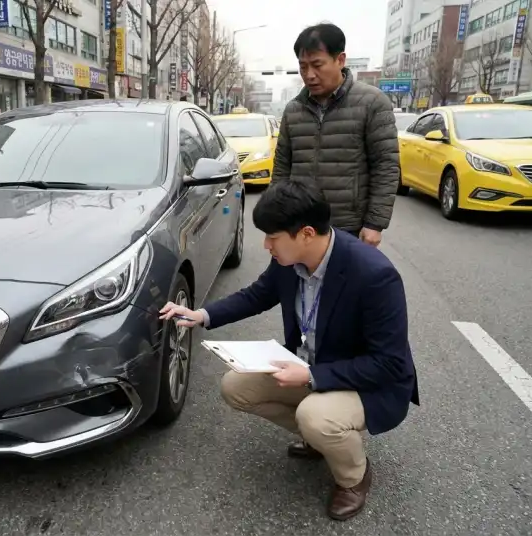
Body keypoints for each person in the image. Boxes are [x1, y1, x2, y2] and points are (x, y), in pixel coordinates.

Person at [159, 180, 419, 521]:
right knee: (235, 387)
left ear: (307, 233)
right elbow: (257, 295)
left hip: (368, 382)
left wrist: (312, 375)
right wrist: (202, 315)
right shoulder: (287, 261)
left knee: (315, 417)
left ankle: (354, 476)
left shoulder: (374, 276)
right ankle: (323, 438)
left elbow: (389, 363)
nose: (265, 245)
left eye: (272, 237)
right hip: (311, 365)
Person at [272, 23, 399, 247]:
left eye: (317, 65)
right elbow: (282, 167)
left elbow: (385, 166)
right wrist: (277, 217)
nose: (309, 75)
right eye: (303, 67)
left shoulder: (372, 103)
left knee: (343, 282)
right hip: (301, 226)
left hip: (348, 226)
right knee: (296, 281)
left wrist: (375, 223)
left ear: (340, 60)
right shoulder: (293, 110)